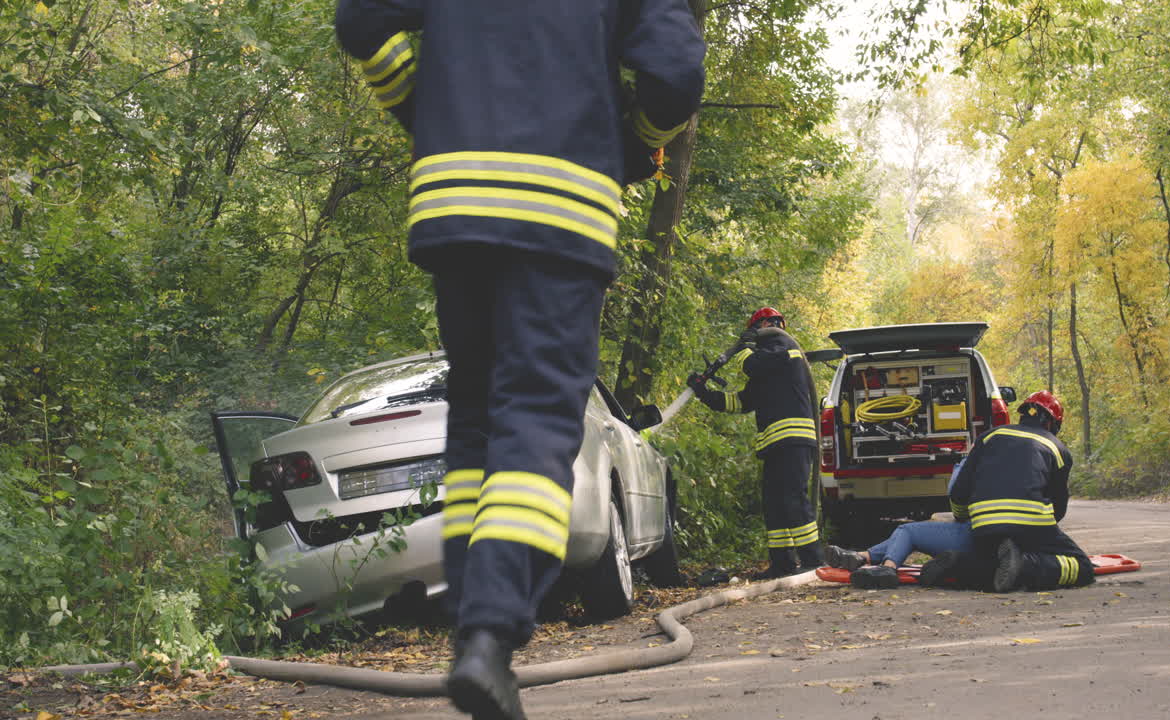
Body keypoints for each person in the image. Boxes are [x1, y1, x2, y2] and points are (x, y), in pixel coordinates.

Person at [334, 3, 705, 719]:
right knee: (535, 417)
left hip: (454, 205)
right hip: (560, 210)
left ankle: (474, 622)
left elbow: (360, 20)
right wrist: (635, 140)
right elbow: (674, 74)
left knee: (475, 419)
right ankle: (491, 634)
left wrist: (427, 113)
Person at [688, 307, 821, 578]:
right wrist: (704, 393)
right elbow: (740, 402)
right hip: (774, 444)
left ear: (769, 326)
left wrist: (745, 348)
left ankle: (813, 561)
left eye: (762, 327)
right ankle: (783, 564)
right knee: (774, 503)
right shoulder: (768, 367)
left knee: (794, 499)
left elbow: (751, 364)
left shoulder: (783, 345)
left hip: (793, 438)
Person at [944, 390, 1095, 592]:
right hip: (1031, 524)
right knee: (1083, 567)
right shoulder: (1057, 447)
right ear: (1052, 423)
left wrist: (962, 518)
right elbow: (1058, 508)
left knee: (996, 560)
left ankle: (961, 565)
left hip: (984, 524)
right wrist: (1040, 538)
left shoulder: (989, 436)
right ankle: (1025, 567)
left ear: (1023, 415)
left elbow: (959, 491)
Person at [825, 460, 974, 588]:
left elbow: (958, 499)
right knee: (907, 535)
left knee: (908, 531)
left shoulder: (974, 460)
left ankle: (887, 569)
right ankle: (862, 557)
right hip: (987, 540)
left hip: (974, 536)